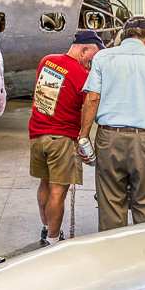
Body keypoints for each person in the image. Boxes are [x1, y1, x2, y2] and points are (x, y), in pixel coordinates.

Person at [78, 16, 145, 230]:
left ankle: (115, 258)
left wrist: (83, 136)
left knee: (110, 205)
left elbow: (92, 98)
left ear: (122, 36)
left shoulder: (103, 58)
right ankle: (144, 257)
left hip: (109, 139)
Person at [28, 30, 107, 246]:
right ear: (84, 49)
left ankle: (46, 228)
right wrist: (84, 138)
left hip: (37, 134)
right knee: (58, 191)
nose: (93, 62)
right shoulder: (83, 76)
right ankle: (53, 240)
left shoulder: (47, 61)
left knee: (45, 183)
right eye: (93, 56)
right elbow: (90, 105)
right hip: (62, 139)